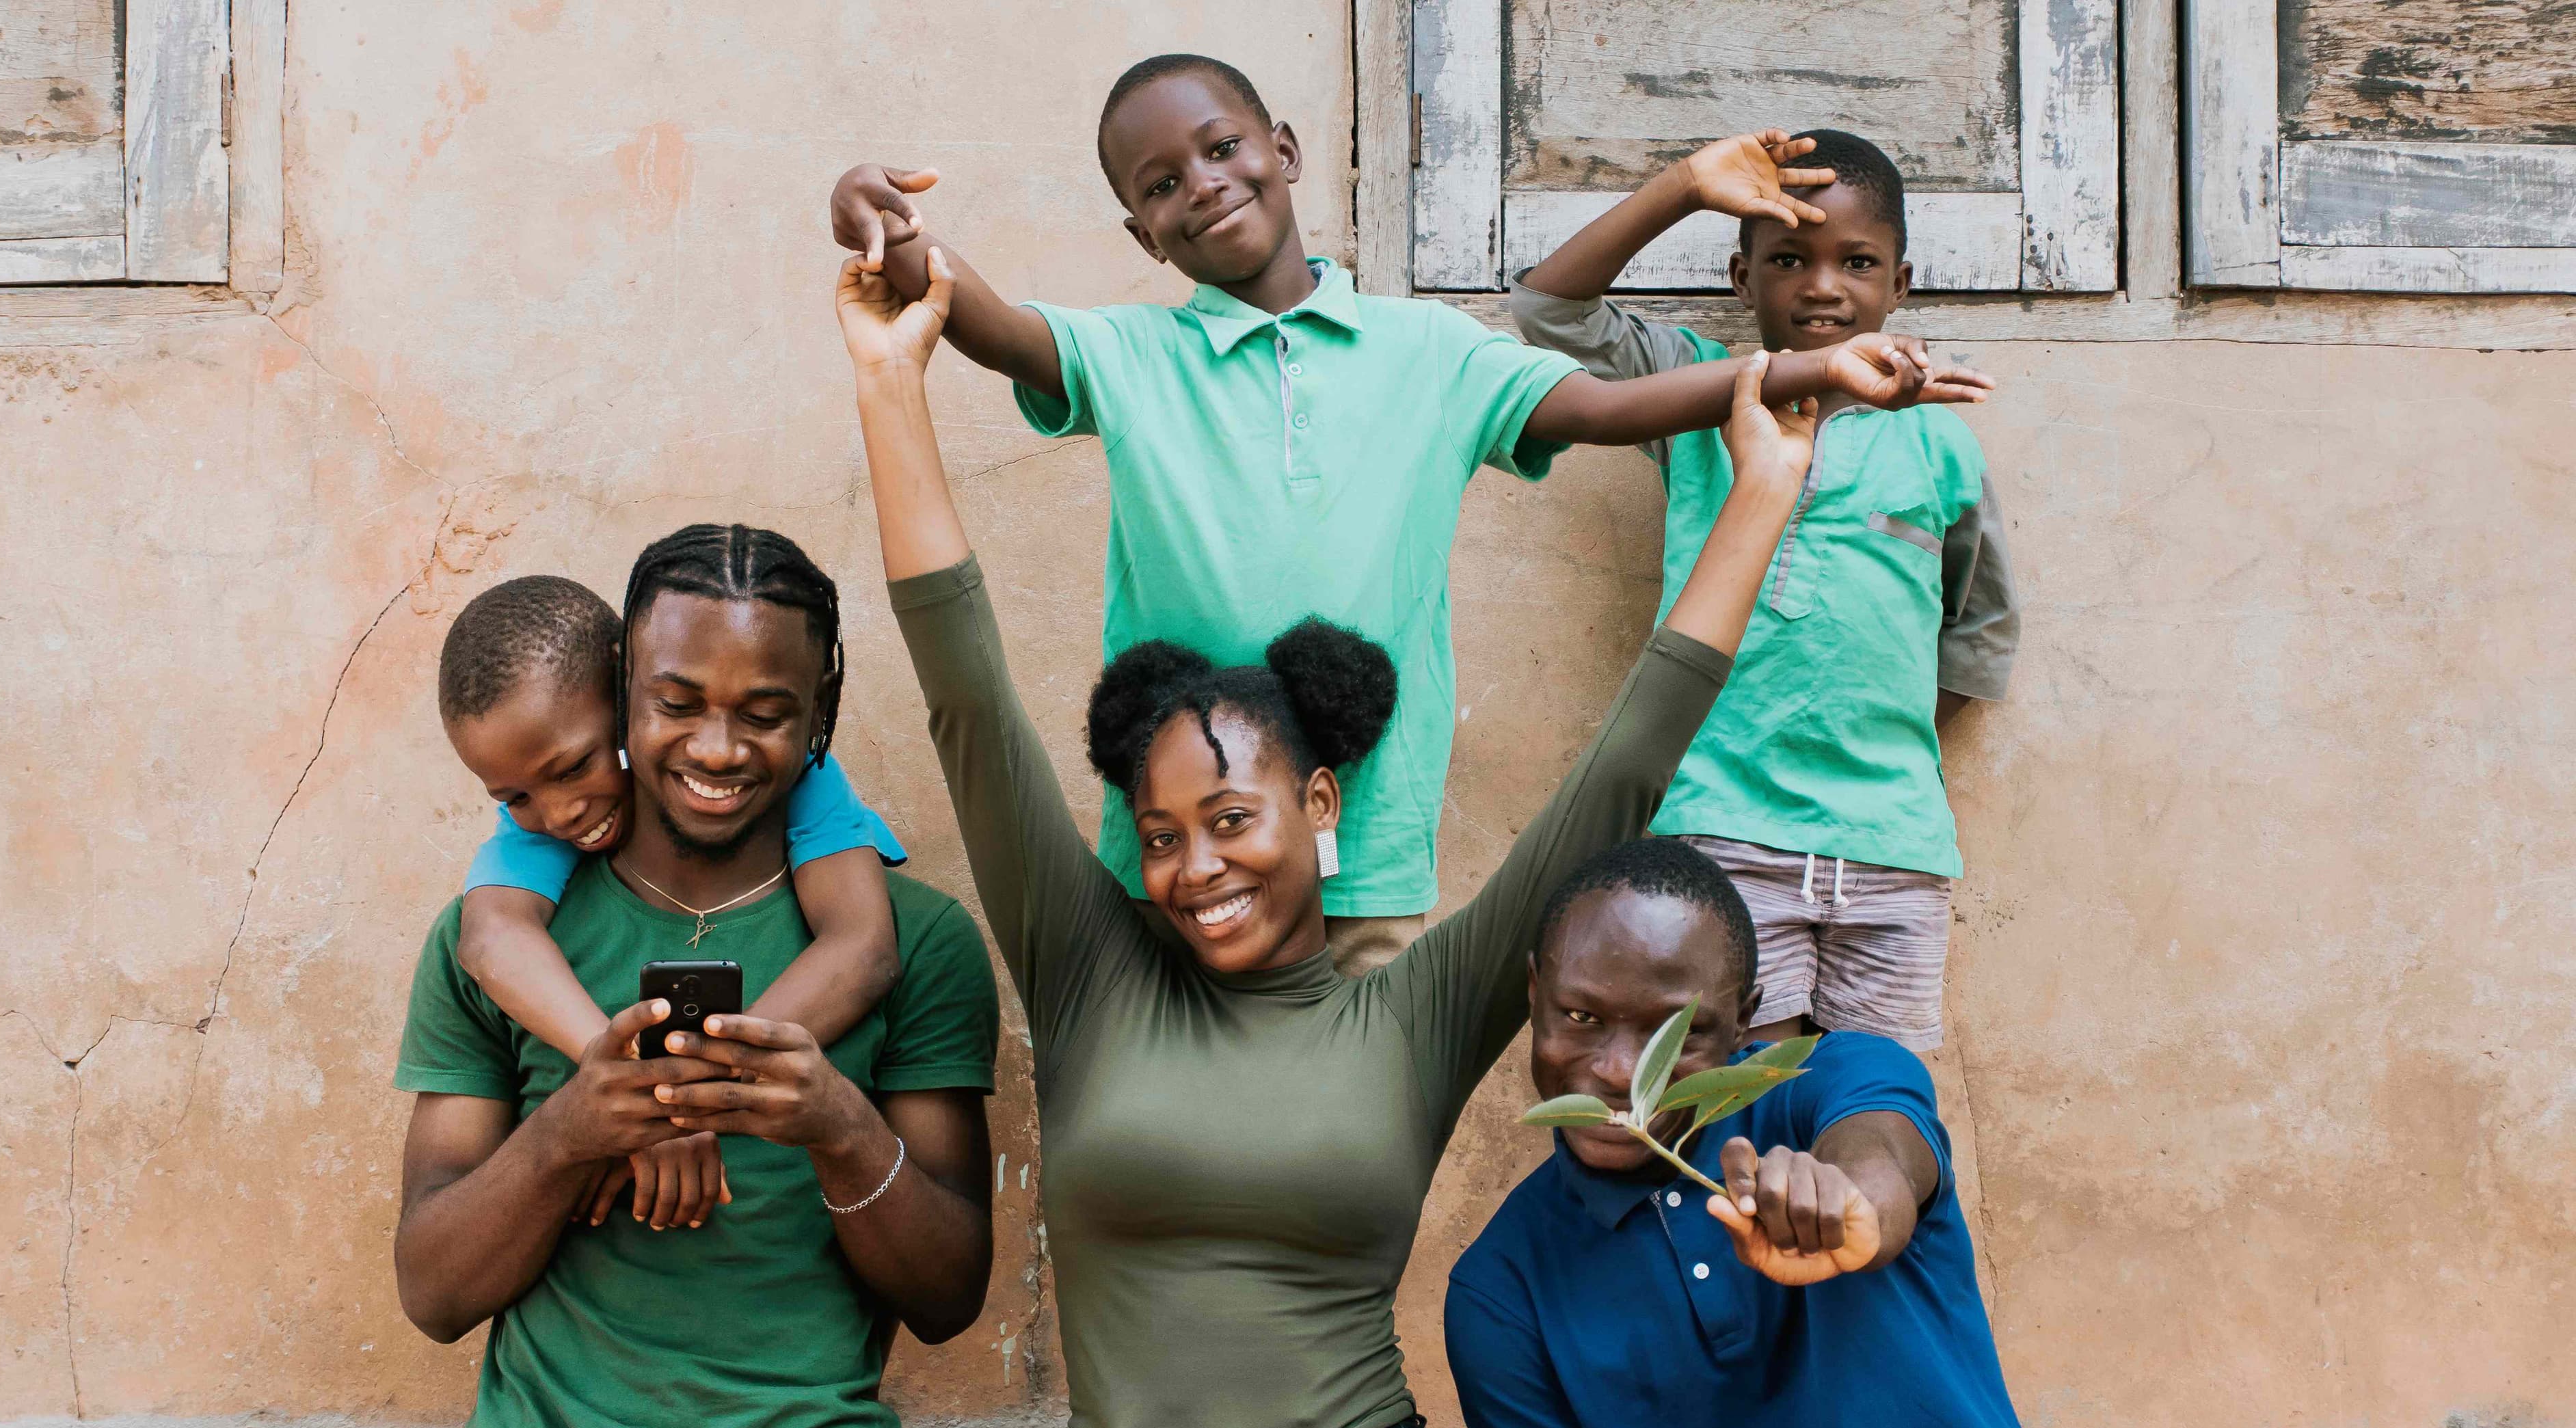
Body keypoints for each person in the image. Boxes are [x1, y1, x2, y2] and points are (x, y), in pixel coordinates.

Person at [835, 241, 1816, 1428]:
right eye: (1160, 835)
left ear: (1323, 806)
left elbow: (1628, 759)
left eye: (1235, 820)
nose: (1195, 866)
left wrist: (1760, 487)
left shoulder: (1415, 1012)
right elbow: (962, 680)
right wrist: (892, 378)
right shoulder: (1089, 970)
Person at [830, 64, 1989, 974]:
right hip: (1175, 863)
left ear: (1281, 151)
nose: (1203, 184)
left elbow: (1609, 403)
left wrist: (1810, 373)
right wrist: (883, 227)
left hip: (1369, 865)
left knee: (1347, 1158)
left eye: (1223, 148)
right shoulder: (1129, 354)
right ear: (1144, 235)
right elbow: (984, 322)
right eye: (1161, 183)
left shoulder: (1431, 351)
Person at [392, 524, 1002, 1428]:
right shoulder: (507, 946)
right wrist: (574, 1132)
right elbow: (433, 1286)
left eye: (767, 713)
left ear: (822, 714)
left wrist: (835, 1126)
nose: (717, 748)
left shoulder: (916, 944)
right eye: (675, 704)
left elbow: (947, 1295)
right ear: (621, 689)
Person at [1443, 837, 2199, 1428]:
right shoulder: (1502, 1289)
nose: (1615, 1071)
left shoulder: (1832, 1085)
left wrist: (1848, 1210)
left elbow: (1882, 1158)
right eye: (1579, 1015)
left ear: (1744, 1024)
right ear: (1533, 993)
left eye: (1670, 1035)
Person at [1514, 130, 2022, 1051]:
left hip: (1892, 848)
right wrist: (1680, 188)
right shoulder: (1701, 393)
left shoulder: (1944, 442)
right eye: (1789, 258)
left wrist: (1863, 737)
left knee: (1877, 1103)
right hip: (1723, 836)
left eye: (1857, 262)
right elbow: (1551, 309)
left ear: (1899, 283)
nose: (1823, 285)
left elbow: (1977, 633)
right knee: (1743, 1105)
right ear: (1743, 281)